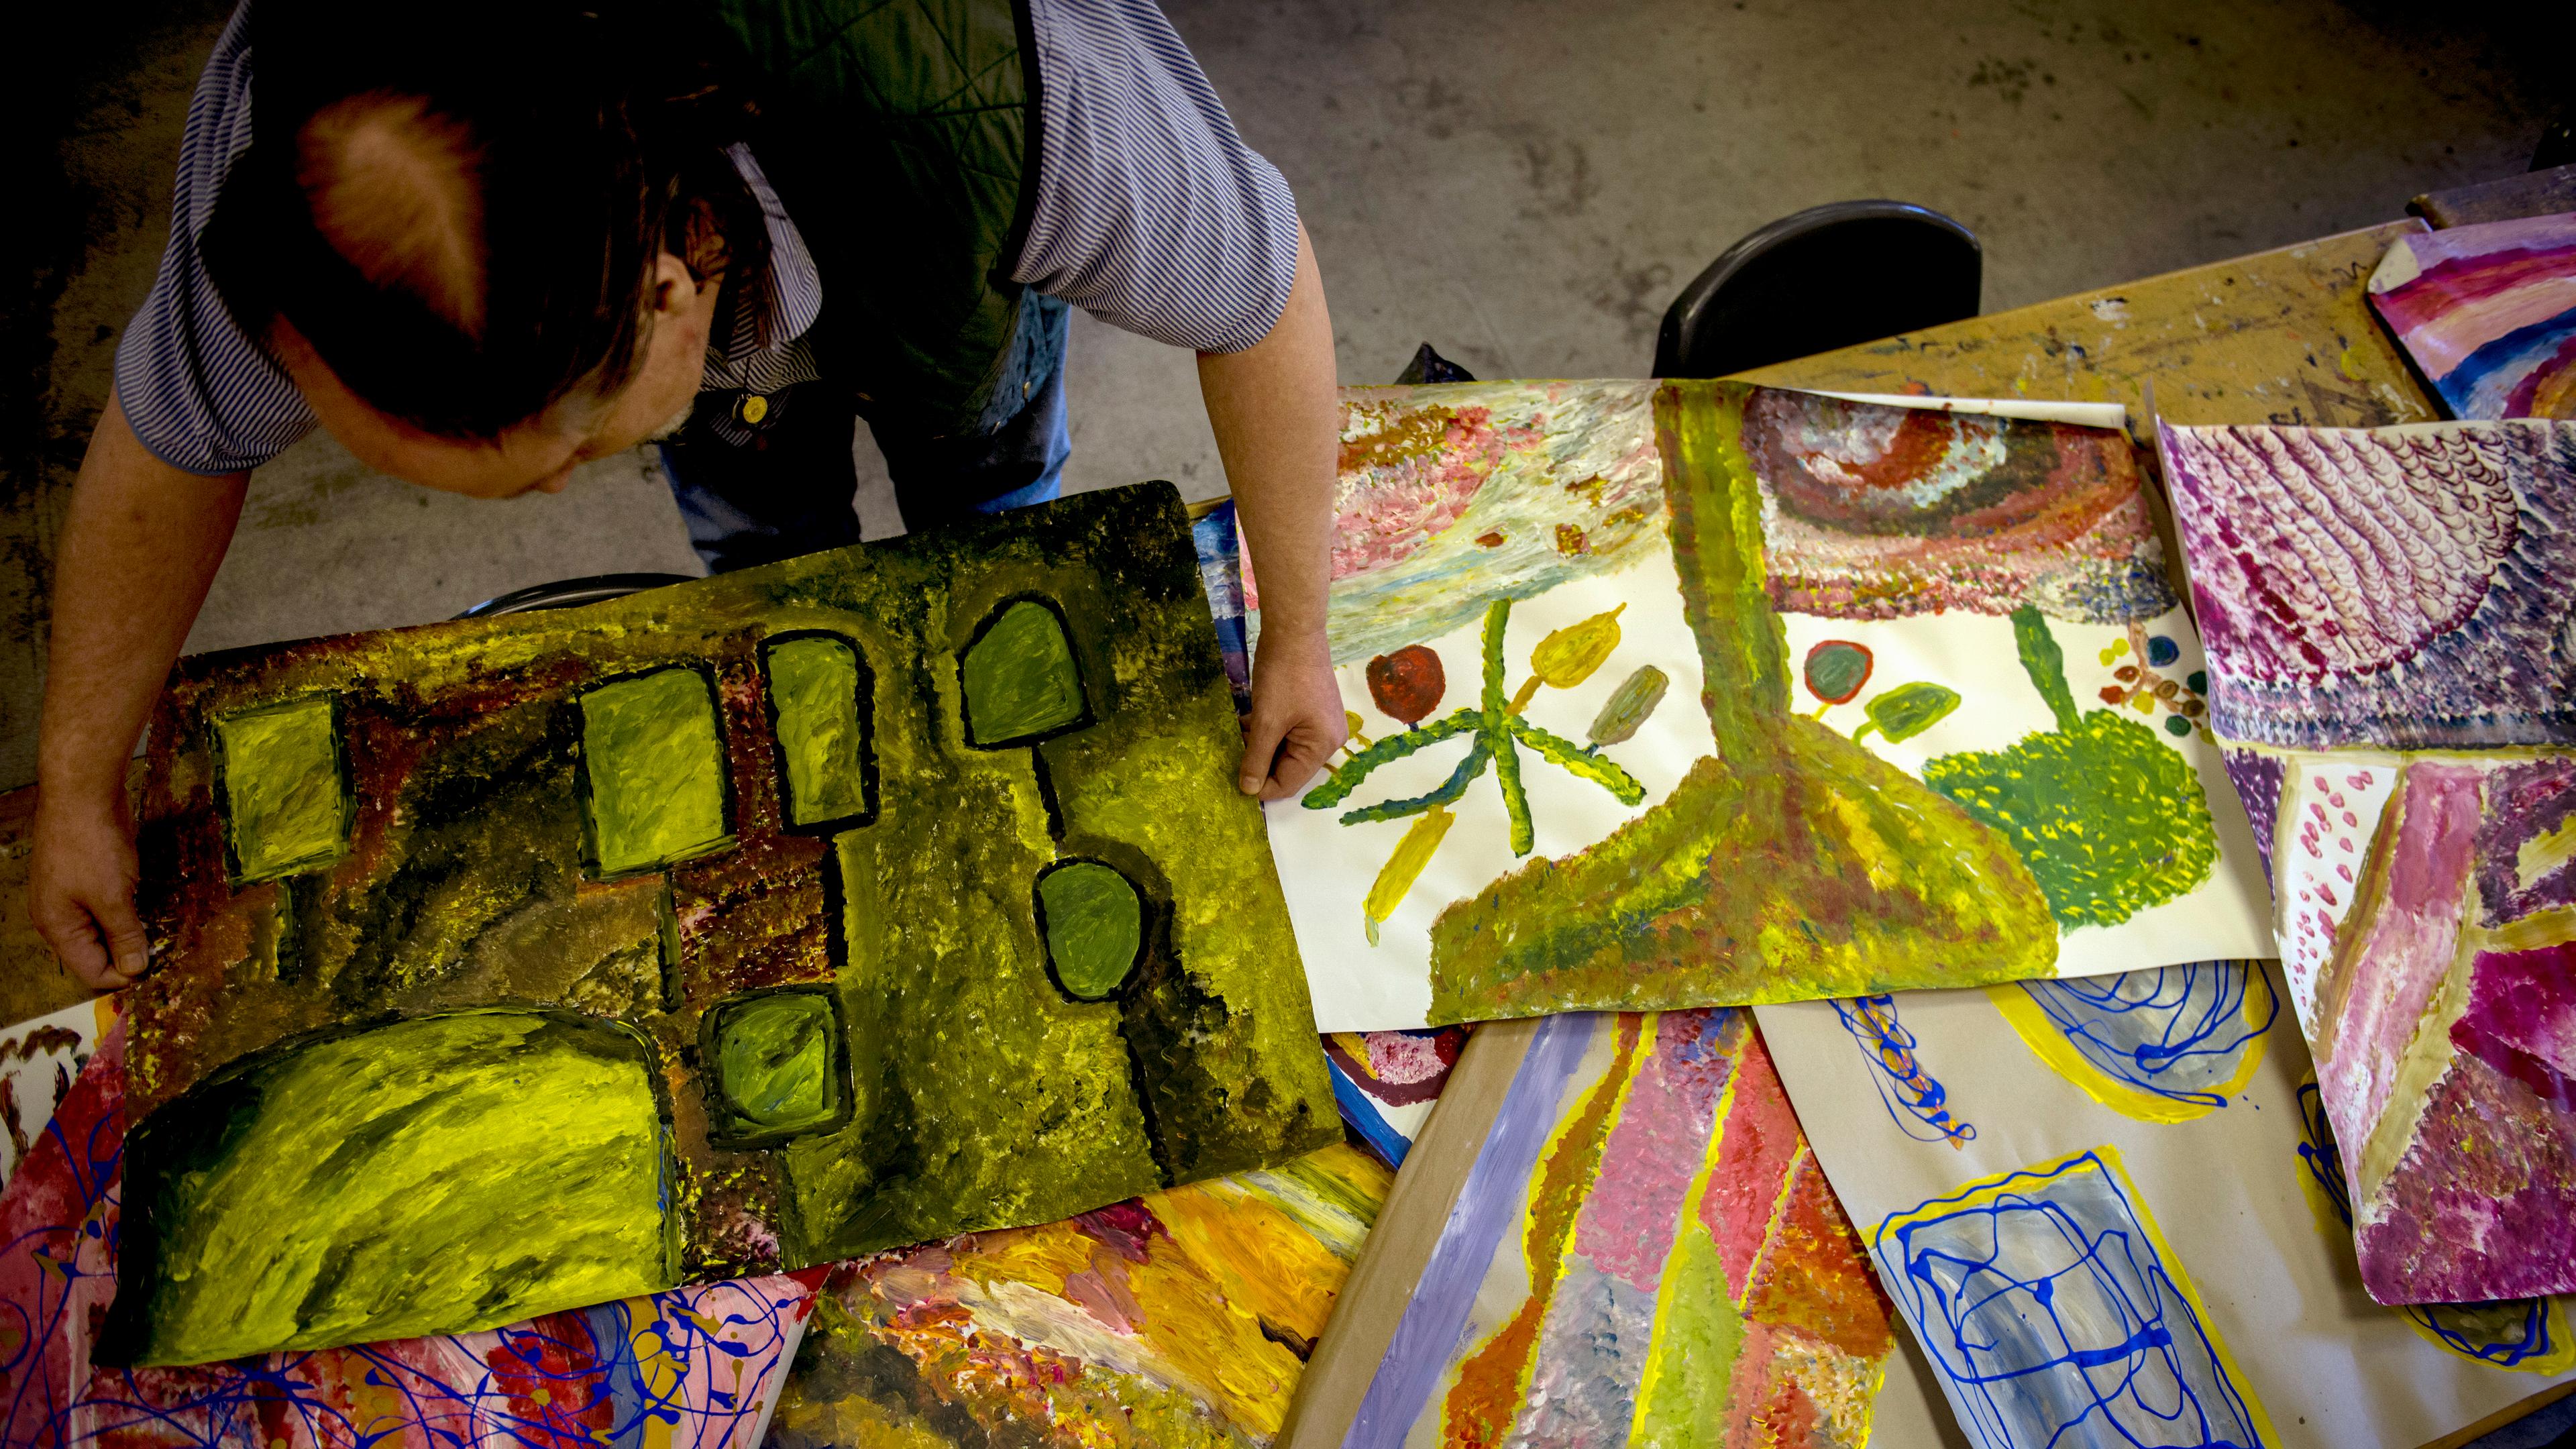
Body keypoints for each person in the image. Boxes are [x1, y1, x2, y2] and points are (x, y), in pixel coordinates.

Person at [30, 0, 1347, 989]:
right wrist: (78, 777)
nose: (549, 501)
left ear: (673, 286)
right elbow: (179, 438)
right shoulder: (301, 153)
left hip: (939, 237)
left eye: (571, 459)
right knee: (771, 552)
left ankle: (978, 535)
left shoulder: (1014, 96)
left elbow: (1261, 283)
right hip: (744, 286)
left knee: (990, 495)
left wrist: (1299, 624)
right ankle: (785, 582)